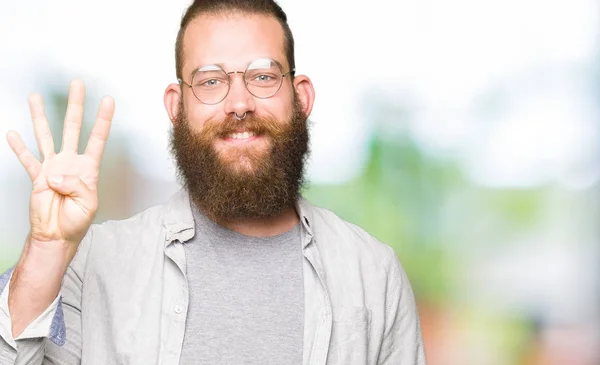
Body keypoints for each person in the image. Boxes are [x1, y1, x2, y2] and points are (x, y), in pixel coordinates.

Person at [0, 0, 425, 364]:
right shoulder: (92, 262)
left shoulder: (373, 273)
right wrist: (47, 249)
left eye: (262, 76)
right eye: (210, 81)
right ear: (177, 105)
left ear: (301, 97)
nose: (239, 104)